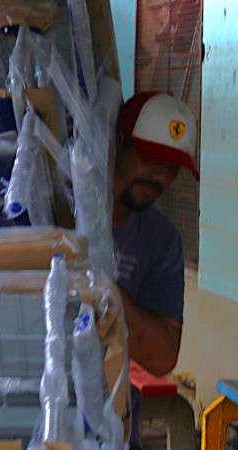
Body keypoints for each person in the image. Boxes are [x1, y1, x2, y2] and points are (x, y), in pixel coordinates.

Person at [112, 92, 199, 449]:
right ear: (119, 142)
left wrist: (107, 295)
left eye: (173, 167)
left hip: (114, 422)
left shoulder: (161, 240)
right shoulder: (62, 210)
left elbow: (163, 357)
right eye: (152, 158)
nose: (161, 175)